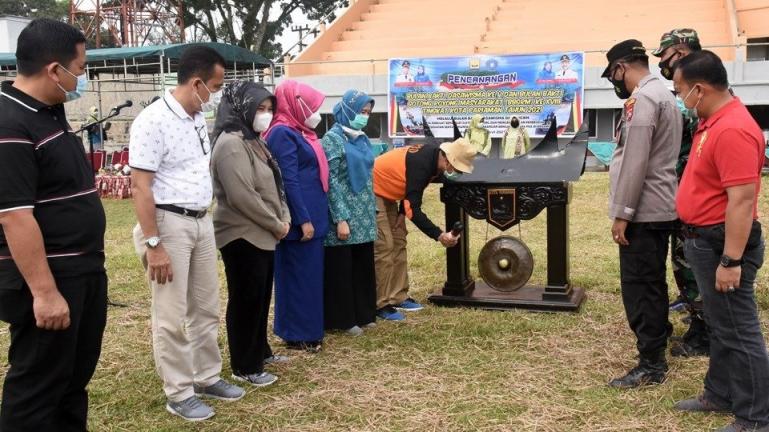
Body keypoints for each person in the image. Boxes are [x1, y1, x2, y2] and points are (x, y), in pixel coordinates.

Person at [0, 18, 108, 431]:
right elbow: (14, 215)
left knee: (71, 380)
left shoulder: (49, 112)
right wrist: (44, 293)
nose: (80, 78)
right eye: (78, 70)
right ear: (53, 70)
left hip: (82, 271)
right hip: (51, 277)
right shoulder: (10, 123)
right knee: (38, 387)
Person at [129, 45, 245, 422]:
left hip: (200, 220)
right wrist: (153, 243)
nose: (216, 95)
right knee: (171, 313)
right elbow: (140, 187)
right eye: (214, 86)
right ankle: (178, 391)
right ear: (196, 83)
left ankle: (206, 375)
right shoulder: (152, 121)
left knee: (206, 305)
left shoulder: (195, 117)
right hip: (168, 224)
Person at [672, 50, 769, 432]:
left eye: (681, 90)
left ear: (700, 88)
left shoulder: (733, 129)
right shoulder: (713, 121)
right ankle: (720, 392)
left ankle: (756, 416)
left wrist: (730, 260)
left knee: (740, 331)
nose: (680, 97)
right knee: (721, 323)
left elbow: (742, 202)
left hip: (721, 245)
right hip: (705, 239)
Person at [601, 39, 681, 389]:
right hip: (657, 205)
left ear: (621, 67)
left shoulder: (643, 99)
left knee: (640, 286)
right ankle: (659, 337)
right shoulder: (663, 94)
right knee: (653, 280)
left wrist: (623, 213)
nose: (615, 82)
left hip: (644, 209)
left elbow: (635, 161)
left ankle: (651, 363)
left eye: (613, 75)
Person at [210, 80, 290, 388]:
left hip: (264, 232)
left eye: (270, 109)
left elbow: (272, 183)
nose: (266, 115)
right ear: (242, 107)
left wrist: (282, 218)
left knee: (260, 297)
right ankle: (245, 365)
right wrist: (276, 222)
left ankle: (260, 351)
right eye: (260, 108)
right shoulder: (231, 143)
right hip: (241, 234)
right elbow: (242, 195)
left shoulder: (253, 139)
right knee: (246, 299)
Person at [372, 138, 477, 320]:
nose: (457, 173)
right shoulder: (422, 163)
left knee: (399, 240)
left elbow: (409, 189)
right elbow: (413, 207)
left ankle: (398, 296)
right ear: (447, 160)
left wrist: (401, 212)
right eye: (457, 169)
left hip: (391, 193)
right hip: (373, 189)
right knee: (384, 246)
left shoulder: (433, 159)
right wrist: (439, 235)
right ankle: (379, 303)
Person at [652, 28, 710, 357]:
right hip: (685, 192)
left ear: (683, 52)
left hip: (699, 198)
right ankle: (696, 313)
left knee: (692, 262)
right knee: (685, 260)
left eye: (666, 55)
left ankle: (705, 333)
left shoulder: (700, 92)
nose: (662, 63)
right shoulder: (686, 92)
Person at [263, 80, 329, 353]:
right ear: (294, 103)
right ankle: (297, 332)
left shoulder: (300, 131)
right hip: (301, 220)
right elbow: (288, 180)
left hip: (313, 214)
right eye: (311, 106)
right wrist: (303, 219)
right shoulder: (282, 133)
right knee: (298, 277)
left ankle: (308, 329)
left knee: (309, 276)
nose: (315, 112)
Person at [321, 89, 378, 335]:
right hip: (344, 213)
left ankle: (364, 313)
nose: (364, 117)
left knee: (363, 265)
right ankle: (343, 319)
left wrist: (372, 207)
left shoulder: (361, 138)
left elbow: (368, 176)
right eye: (361, 111)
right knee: (342, 269)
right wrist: (341, 218)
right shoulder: (331, 139)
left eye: (367, 112)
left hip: (364, 212)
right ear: (347, 110)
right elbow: (331, 181)